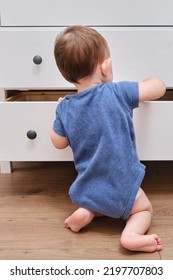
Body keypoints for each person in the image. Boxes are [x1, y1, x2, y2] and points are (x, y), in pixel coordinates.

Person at [50, 25, 166, 252]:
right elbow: (158, 89)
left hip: (89, 188)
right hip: (124, 186)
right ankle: (130, 235)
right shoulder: (116, 92)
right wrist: (151, 78)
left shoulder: (65, 107)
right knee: (143, 210)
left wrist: (58, 110)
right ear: (106, 67)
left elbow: (58, 142)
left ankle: (88, 211)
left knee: (98, 201)